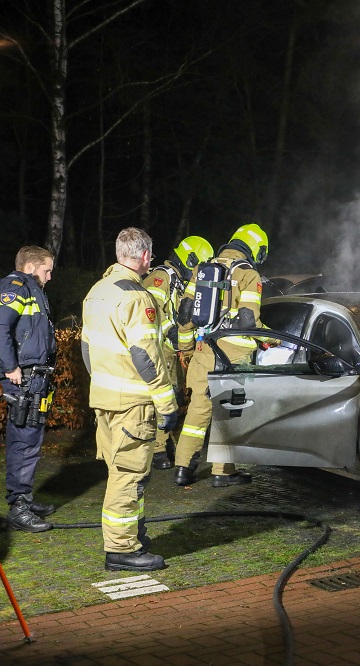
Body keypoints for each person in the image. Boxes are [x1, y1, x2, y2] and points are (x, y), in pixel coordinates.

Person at [82, 228, 179, 572]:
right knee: (129, 475)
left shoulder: (98, 291)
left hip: (104, 400)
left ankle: (132, 534)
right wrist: (168, 404)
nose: (150, 261)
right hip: (132, 404)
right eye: (149, 256)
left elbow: (86, 350)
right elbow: (146, 356)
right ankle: (121, 549)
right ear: (142, 256)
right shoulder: (137, 297)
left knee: (119, 471)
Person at [174, 222, 275, 488]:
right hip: (233, 357)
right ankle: (223, 472)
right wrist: (272, 338)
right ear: (255, 249)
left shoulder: (202, 270)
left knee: (197, 412)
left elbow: (184, 316)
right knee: (229, 413)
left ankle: (183, 468)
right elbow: (248, 321)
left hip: (203, 351)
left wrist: (185, 349)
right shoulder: (248, 275)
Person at [142, 236, 214, 470]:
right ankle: (158, 449)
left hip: (170, 349)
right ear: (190, 259)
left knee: (175, 397)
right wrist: (171, 332)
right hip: (159, 347)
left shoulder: (176, 280)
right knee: (165, 397)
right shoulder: (162, 277)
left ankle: (166, 444)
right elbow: (150, 311)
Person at [0, 246, 57, 532]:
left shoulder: (32, 289)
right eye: (47, 269)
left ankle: (24, 497)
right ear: (31, 265)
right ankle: (18, 507)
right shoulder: (16, 287)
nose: (49, 276)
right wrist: (10, 368)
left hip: (35, 377)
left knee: (30, 440)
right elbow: (1, 327)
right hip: (23, 378)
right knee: (23, 442)